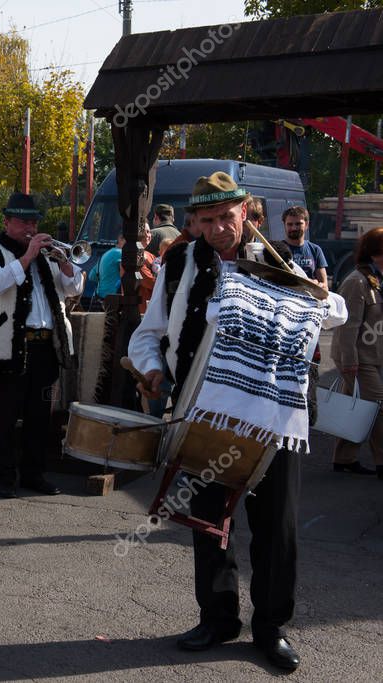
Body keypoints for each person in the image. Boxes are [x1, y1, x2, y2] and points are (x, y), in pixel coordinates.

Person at [128, 172, 347, 673]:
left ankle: (272, 628)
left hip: (273, 419)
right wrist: (155, 369)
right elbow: (150, 332)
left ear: (245, 212)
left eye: (227, 217)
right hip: (206, 413)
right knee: (209, 524)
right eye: (207, 220)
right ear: (194, 221)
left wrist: (319, 293)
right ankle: (219, 617)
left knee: (278, 525)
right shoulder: (179, 262)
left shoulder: (281, 260)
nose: (218, 229)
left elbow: (330, 312)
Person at [0, 192, 83, 498]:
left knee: (40, 417)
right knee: (4, 418)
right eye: (23, 221)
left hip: (46, 348)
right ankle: (3, 477)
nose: (30, 227)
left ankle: (34, 474)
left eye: (34, 221)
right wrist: (27, 257)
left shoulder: (49, 256)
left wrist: (65, 263)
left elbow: (74, 288)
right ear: (7, 222)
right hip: (9, 347)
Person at [330, 227, 383, 477]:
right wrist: (349, 362)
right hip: (360, 359)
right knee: (377, 408)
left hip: (374, 356)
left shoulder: (376, 279)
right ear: (374, 254)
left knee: (358, 409)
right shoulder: (356, 282)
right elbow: (347, 327)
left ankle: (344, 459)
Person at [282, 205, 328, 288]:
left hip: (309, 298)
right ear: (284, 225)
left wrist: (318, 285)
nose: (293, 228)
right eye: (289, 224)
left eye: (298, 224)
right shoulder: (277, 250)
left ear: (307, 224)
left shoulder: (315, 250)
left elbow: (324, 285)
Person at [89, 233, 123, 311]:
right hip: (112, 302)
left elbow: (91, 276)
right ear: (120, 239)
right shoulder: (120, 253)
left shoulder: (105, 254)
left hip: (98, 300)